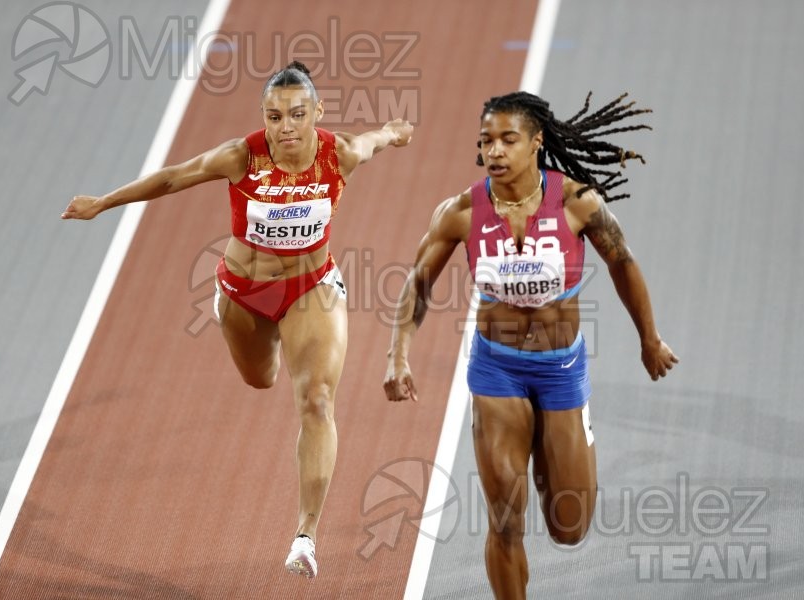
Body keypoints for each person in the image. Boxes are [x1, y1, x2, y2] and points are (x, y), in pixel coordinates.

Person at [62, 61, 413, 579]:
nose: (285, 127)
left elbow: (374, 140)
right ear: (263, 117)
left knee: (316, 399)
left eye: (297, 114)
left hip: (311, 287)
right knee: (260, 378)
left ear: (318, 112)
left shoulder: (340, 154)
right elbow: (171, 178)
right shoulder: (240, 156)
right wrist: (103, 203)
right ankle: (242, 325)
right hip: (245, 292)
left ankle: (304, 535)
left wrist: (393, 131)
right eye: (274, 116)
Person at [383, 91, 677, 599]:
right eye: (485, 141)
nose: (494, 151)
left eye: (507, 139)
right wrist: (397, 355)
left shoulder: (578, 202)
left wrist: (649, 340)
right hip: (497, 369)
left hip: (561, 369)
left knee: (570, 524)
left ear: (536, 143)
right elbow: (418, 284)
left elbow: (623, 265)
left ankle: (552, 454)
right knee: (504, 518)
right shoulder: (459, 212)